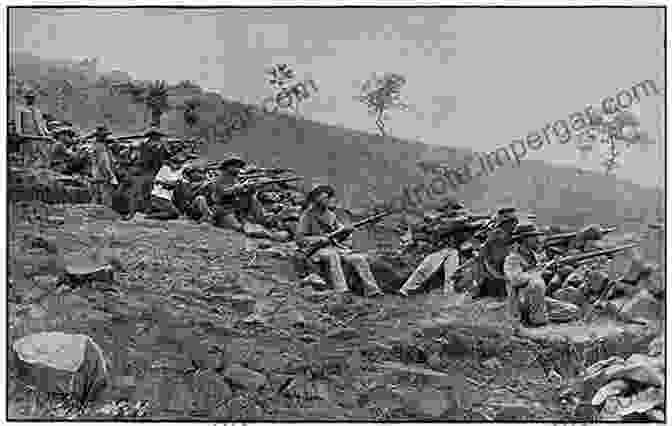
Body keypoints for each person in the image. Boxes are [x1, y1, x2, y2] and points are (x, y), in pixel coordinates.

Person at [296, 184, 383, 296]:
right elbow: (300, 239)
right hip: (317, 250)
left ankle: (372, 290)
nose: (328, 200)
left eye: (328, 197)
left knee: (359, 258)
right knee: (332, 256)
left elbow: (339, 235)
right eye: (324, 197)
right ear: (315, 198)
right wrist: (319, 239)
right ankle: (341, 290)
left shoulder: (331, 215)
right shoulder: (307, 216)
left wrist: (346, 232)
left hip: (335, 247)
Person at [503, 222, 581, 327]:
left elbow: (542, 274)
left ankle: (537, 317)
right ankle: (536, 320)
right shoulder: (512, 259)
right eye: (533, 236)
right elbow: (516, 280)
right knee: (537, 284)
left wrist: (551, 269)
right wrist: (538, 272)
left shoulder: (535, 257)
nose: (537, 239)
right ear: (523, 239)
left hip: (537, 300)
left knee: (573, 310)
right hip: (519, 302)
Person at [398, 200, 471, 300]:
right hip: (436, 250)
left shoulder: (458, 220)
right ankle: (406, 289)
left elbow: (465, 223)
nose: (452, 211)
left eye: (454, 209)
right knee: (426, 268)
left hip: (450, 251)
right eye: (450, 209)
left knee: (451, 269)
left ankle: (449, 294)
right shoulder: (439, 221)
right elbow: (432, 230)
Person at [207, 156, 268, 231]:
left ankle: (262, 220)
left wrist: (251, 188)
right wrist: (239, 187)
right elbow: (223, 193)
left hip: (238, 209)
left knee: (253, 199)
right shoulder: (218, 180)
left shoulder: (236, 179)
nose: (238, 169)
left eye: (239, 167)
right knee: (238, 228)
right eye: (235, 166)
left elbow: (244, 194)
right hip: (224, 210)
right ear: (228, 167)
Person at [473, 206, 519, 299]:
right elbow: (499, 259)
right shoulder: (498, 235)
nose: (515, 224)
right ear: (505, 223)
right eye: (512, 222)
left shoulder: (507, 234)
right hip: (497, 272)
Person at [14, 91, 51, 167]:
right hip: (28, 136)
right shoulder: (20, 109)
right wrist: (19, 132)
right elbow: (18, 122)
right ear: (26, 99)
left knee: (43, 155)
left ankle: (42, 171)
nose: (31, 100)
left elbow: (41, 123)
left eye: (32, 98)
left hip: (39, 136)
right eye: (29, 98)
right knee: (28, 156)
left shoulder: (37, 111)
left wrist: (46, 133)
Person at [89, 125, 119, 207]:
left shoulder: (94, 146)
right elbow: (104, 163)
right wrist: (111, 177)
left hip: (96, 175)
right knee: (106, 201)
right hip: (104, 177)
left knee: (96, 200)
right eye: (104, 136)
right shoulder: (101, 147)